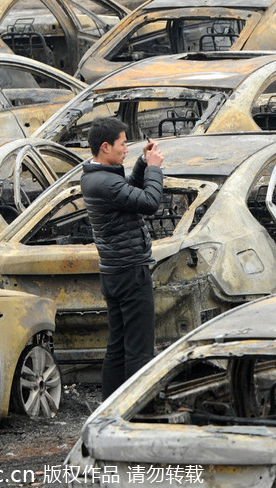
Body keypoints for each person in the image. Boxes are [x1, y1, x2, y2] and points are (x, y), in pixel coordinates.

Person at [80, 117, 164, 399]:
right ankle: (136, 407)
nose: (126, 148)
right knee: (139, 348)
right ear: (105, 147)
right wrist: (153, 169)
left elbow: (128, 191)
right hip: (130, 272)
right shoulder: (104, 183)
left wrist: (141, 164)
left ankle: (110, 404)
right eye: (123, 144)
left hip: (114, 272)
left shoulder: (96, 178)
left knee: (117, 345)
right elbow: (150, 202)